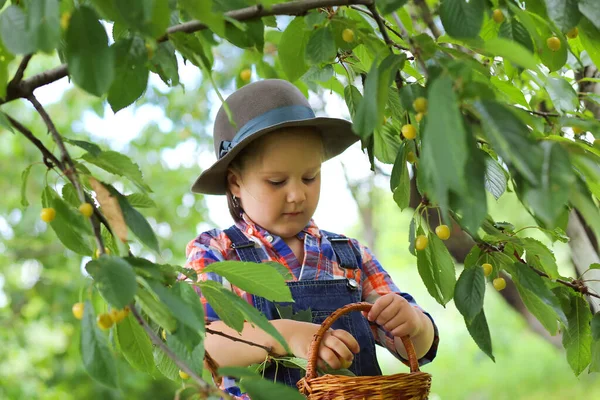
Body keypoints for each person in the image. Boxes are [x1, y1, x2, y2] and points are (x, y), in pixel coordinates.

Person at [184, 79, 438, 397]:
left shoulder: (349, 256)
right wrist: (287, 335)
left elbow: (418, 349)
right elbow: (202, 343)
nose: (296, 195)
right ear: (235, 183)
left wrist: (413, 323)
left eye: (310, 177)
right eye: (276, 181)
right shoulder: (217, 253)